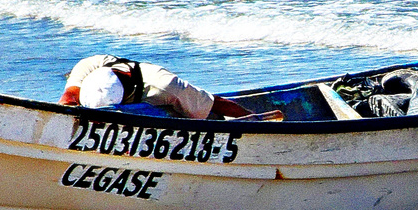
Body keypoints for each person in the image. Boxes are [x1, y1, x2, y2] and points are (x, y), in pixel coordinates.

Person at [59, 55, 277, 119]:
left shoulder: (166, 86)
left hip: (156, 92)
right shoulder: (89, 66)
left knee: (204, 108)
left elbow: (213, 103)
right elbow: (67, 99)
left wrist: (252, 120)